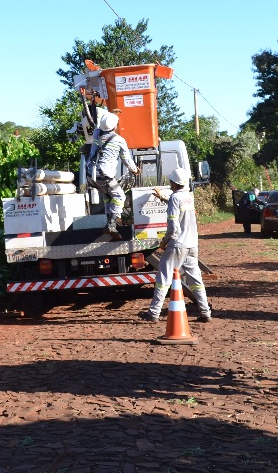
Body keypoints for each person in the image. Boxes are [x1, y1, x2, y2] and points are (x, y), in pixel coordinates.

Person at [139, 167, 212, 323]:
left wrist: (165, 241)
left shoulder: (175, 198)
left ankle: (153, 313)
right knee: (195, 280)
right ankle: (205, 312)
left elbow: (173, 225)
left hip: (177, 244)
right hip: (192, 245)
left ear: (173, 182)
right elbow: (181, 208)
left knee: (163, 278)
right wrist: (164, 198)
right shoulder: (188, 196)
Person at [88, 111, 140, 237]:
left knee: (108, 196)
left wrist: (111, 115)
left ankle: (109, 223)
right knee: (119, 196)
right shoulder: (119, 140)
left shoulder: (96, 134)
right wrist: (135, 170)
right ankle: (111, 225)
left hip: (91, 175)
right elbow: (126, 159)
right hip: (105, 175)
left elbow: (97, 124)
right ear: (115, 126)